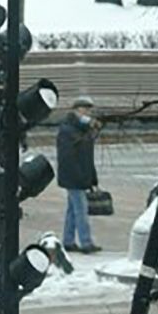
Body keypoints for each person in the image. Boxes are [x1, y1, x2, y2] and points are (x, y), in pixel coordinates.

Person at [56, 96, 103, 253]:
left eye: (89, 110)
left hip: (79, 175)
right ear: (76, 110)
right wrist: (90, 131)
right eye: (84, 109)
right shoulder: (68, 129)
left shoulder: (80, 129)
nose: (87, 113)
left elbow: (87, 155)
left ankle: (68, 240)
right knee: (81, 210)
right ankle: (86, 242)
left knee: (72, 210)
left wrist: (92, 178)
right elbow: (70, 155)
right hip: (73, 177)